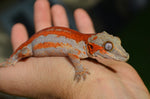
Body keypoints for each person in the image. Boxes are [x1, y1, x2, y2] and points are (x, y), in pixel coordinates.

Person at [0, 0, 149, 98]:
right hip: (36, 45)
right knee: (24, 51)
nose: (117, 52)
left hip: (49, 37)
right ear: (92, 46)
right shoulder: (80, 49)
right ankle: (13, 58)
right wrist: (79, 68)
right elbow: (72, 53)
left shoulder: (86, 47)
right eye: (108, 47)